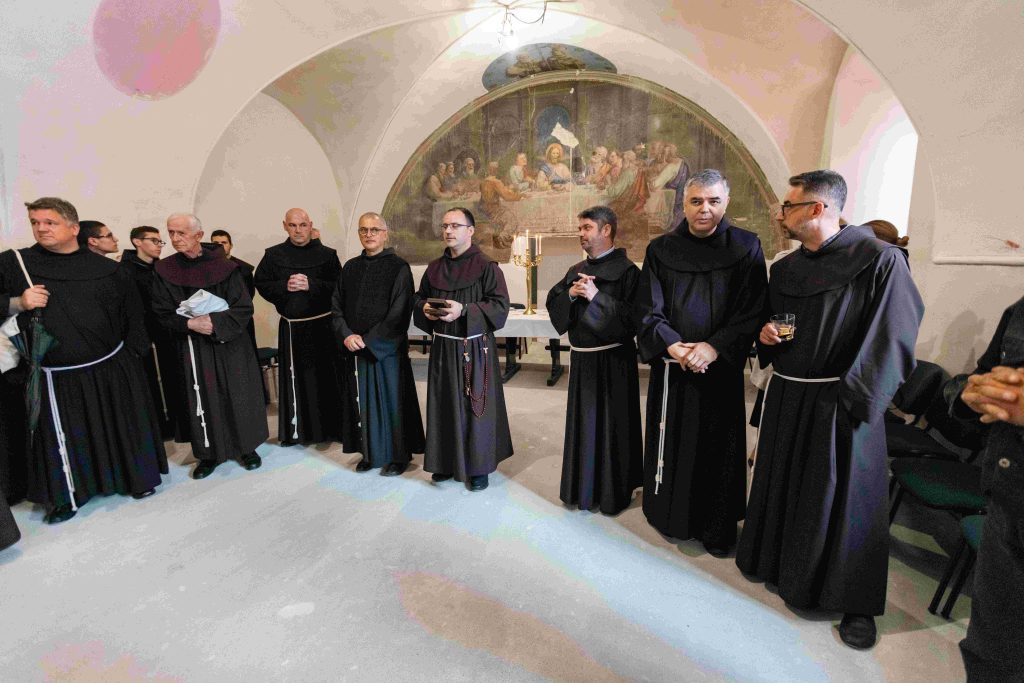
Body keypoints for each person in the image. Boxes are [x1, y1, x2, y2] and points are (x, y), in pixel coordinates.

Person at [735, 170, 924, 650]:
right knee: (787, 484)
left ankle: (855, 602)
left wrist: (857, 402)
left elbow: (893, 337)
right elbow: (772, 324)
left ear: (818, 208)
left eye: (788, 206)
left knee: (846, 503)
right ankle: (779, 564)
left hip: (844, 401)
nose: (781, 215)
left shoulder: (879, 260)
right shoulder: (786, 269)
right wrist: (765, 336)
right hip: (789, 394)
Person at [0, 197, 167, 523]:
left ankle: (134, 478)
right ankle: (65, 496)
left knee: (120, 427)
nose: (41, 229)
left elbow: (133, 315)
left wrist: (133, 355)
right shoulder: (15, 264)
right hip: (54, 375)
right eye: (35, 222)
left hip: (111, 367)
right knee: (62, 438)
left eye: (50, 222)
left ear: (74, 227)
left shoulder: (109, 269)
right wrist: (18, 302)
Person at [635, 170, 767, 554]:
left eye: (713, 201)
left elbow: (752, 308)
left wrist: (713, 347)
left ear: (726, 203)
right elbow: (647, 308)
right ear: (684, 204)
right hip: (673, 370)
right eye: (696, 201)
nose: (704, 209)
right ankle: (671, 517)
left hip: (719, 371)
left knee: (717, 448)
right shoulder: (661, 249)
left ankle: (716, 526)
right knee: (672, 441)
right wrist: (674, 346)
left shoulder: (746, 246)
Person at [151, 213, 268, 478]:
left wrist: (214, 322)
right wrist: (189, 324)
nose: (175, 238)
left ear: (199, 235)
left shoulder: (225, 267)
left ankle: (246, 448)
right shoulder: (164, 270)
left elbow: (243, 307)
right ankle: (208, 453)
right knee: (200, 396)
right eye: (171, 233)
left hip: (229, 343)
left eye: (181, 233)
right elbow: (159, 311)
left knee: (237, 394)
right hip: (192, 345)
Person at [546, 206, 642, 514]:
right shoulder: (575, 269)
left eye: (587, 227)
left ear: (606, 230)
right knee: (585, 426)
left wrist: (597, 298)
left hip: (614, 362)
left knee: (613, 427)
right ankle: (583, 489)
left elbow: (636, 320)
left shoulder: (628, 272)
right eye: (580, 228)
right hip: (583, 362)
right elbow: (555, 304)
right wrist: (571, 295)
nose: (581, 234)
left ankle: (613, 493)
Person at [947, 298, 1024, 681]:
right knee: (990, 656)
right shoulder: (1020, 310)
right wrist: (970, 395)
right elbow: (977, 379)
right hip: (1007, 504)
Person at [413, 207, 513, 491]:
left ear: (470, 230)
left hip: (475, 348)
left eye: (455, 226)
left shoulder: (487, 267)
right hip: (443, 348)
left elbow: (500, 307)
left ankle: (479, 467)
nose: (448, 230)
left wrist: (465, 310)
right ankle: (445, 462)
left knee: (476, 407)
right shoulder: (434, 268)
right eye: (445, 226)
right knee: (443, 404)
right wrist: (425, 308)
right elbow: (418, 299)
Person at [332, 212, 425, 475]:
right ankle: (369, 452)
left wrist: (370, 341)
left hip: (385, 350)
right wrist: (346, 334)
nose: (369, 234)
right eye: (363, 230)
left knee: (392, 403)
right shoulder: (350, 267)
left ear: (385, 234)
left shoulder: (399, 268)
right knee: (361, 403)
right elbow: (336, 305)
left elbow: (399, 312)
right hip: (354, 347)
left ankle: (398, 456)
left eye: (374, 230)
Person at [255, 208, 349, 446]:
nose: (298, 230)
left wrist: (312, 284)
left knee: (327, 379)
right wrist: (284, 286)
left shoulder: (327, 255)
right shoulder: (273, 255)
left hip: (324, 327)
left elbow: (340, 287)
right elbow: (262, 283)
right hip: (293, 329)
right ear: (285, 226)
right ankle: (297, 431)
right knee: (297, 378)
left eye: (303, 225)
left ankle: (333, 430)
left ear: (310, 225)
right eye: (293, 225)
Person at [119, 226, 190, 441]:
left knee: (176, 379)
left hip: (168, 331)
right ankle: (160, 427)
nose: (159, 245)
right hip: (144, 337)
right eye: (154, 241)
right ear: (137, 242)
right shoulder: (125, 271)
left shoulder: (162, 268)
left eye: (161, 241)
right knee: (150, 384)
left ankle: (180, 424)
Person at [210, 229, 261, 364]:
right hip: (216, 321)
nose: (220, 246)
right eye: (216, 243)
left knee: (245, 357)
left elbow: (248, 296)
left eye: (224, 243)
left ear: (231, 245)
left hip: (240, 320)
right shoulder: (204, 269)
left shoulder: (243, 269)